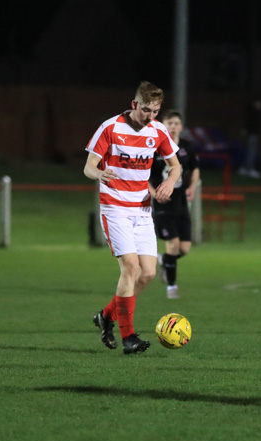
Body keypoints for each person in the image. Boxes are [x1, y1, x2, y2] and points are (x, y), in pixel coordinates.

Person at [85, 81, 181, 354]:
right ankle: (129, 337)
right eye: (147, 110)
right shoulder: (111, 128)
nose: (151, 116)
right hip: (114, 208)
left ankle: (106, 317)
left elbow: (176, 166)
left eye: (156, 111)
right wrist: (100, 173)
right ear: (134, 105)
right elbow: (89, 166)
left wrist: (170, 182)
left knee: (148, 273)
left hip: (142, 211)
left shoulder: (158, 131)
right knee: (130, 267)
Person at [150, 110, 200, 299]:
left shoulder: (187, 147)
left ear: (181, 126)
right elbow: (143, 175)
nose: (173, 126)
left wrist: (193, 186)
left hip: (181, 201)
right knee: (173, 244)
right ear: (163, 125)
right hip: (163, 204)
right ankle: (172, 288)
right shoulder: (154, 147)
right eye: (169, 123)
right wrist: (155, 193)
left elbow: (195, 168)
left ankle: (164, 260)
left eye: (176, 123)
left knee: (184, 248)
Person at [240, 97, 261, 178]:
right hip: (252, 134)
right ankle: (249, 169)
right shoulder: (253, 113)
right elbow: (250, 124)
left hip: (252, 134)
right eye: (259, 103)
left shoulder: (254, 113)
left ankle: (245, 168)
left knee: (249, 151)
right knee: (251, 151)